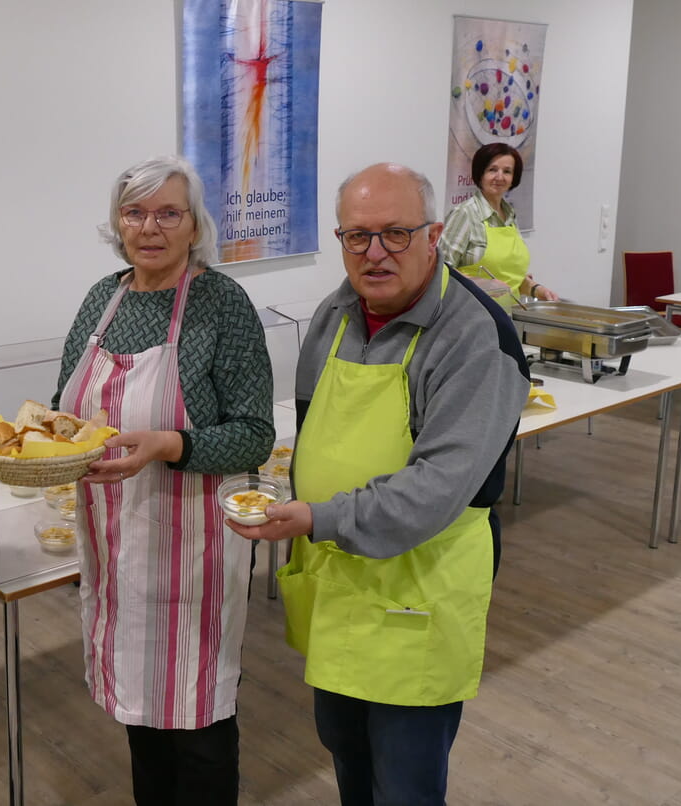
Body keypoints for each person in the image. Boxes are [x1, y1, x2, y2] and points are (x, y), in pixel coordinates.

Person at [229, 163, 530, 805]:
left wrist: (314, 517)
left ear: (434, 234)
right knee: (348, 756)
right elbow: (312, 429)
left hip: (419, 587)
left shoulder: (476, 334)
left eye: (396, 233)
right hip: (338, 580)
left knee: (405, 783)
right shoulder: (335, 313)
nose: (375, 253)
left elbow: (439, 487)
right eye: (357, 236)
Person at [53, 155, 275, 805]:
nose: (150, 228)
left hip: (192, 548)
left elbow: (255, 433)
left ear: (193, 224)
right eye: (134, 212)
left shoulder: (220, 303)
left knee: (199, 716)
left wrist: (167, 444)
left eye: (168, 213)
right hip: (115, 541)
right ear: (117, 223)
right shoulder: (105, 296)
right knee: (141, 712)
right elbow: (63, 409)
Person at [441, 142, 559, 301]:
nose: (500, 177)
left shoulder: (510, 216)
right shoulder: (465, 214)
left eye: (507, 171)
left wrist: (536, 289)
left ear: (513, 178)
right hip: (472, 316)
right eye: (492, 170)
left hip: (507, 316)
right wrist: (482, 283)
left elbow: (510, 278)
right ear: (480, 173)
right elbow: (441, 270)